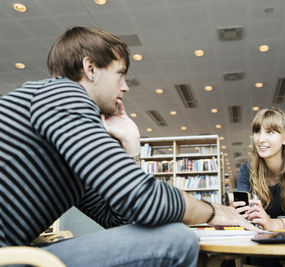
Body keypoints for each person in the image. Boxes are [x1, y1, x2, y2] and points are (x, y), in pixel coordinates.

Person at [0, 26, 258, 267]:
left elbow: (119, 220)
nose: (125, 87)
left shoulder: (64, 128)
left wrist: (132, 147)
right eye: (120, 73)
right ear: (90, 68)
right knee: (174, 239)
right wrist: (213, 212)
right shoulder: (62, 94)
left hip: (14, 252)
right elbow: (144, 199)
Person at [232, 108, 285, 267]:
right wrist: (238, 213)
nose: (260, 139)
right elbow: (244, 217)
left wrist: (272, 224)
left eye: (270, 132)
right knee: (254, 256)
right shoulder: (247, 169)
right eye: (257, 132)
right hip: (266, 239)